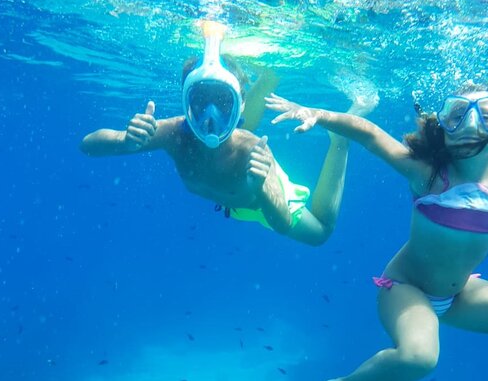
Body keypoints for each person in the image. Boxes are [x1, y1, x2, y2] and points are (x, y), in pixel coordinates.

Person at [266, 84, 488, 381]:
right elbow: (370, 135)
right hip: (406, 288)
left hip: (460, 293)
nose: (470, 124)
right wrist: (317, 114)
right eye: (457, 114)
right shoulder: (427, 174)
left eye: (486, 115)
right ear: (444, 126)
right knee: (419, 358)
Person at [80, 21, 374, 246]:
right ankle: (267, 78)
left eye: (222, 103)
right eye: (200, 102)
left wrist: (262, 188)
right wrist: (125, 140)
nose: (210, 119)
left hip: (260, 203)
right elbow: (88, 146)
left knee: (321, 233)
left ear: (239, 104)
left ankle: (340, 140)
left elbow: (283, 224)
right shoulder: (173, 132)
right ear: (186, 102)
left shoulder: (252, 152)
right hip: (234, 202)